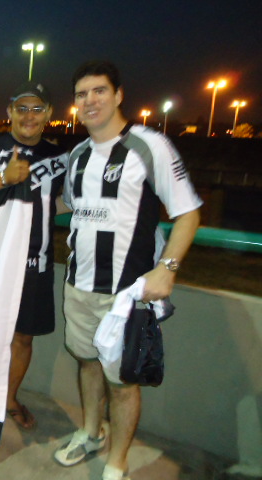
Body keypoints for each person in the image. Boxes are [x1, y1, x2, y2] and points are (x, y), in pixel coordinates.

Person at [53, 61, 202, 480]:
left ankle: (117, 461)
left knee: (122, 383)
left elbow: (188, 213)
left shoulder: (149, 146)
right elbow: (69, 206)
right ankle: (89, 432)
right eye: (82, 94)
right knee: (86, 363)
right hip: (77, 285)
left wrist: (166, 269)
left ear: (118, 95)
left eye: (99, 91)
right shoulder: (78, 155)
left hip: (125, 295)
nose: (90, 101)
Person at [0, 82, 69, 476]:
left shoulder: (60, 155)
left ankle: (8, 399)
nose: (28, 116)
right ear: (10, 111)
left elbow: (74, 199)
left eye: (37, 109)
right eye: (21, 109)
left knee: (23, 338)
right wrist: (2, 178)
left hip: (36, 264)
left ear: (49, 112)